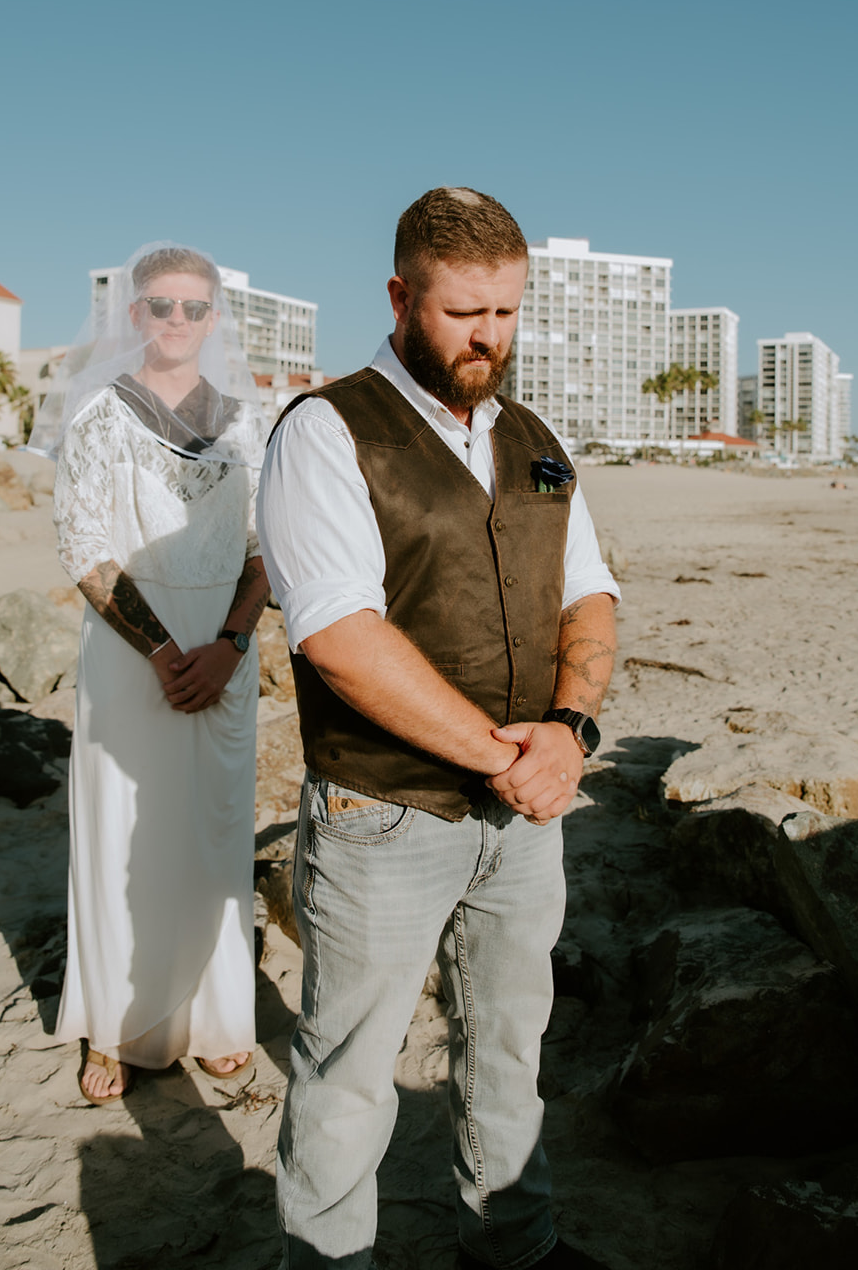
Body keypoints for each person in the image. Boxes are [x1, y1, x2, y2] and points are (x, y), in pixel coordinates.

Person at [257, 188, 620, 1270]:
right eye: (464, 313)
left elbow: (588, 594)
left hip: (524, 816)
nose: (487, 337)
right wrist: (510, 755)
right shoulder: (327, 430)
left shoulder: (536, 440)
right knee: (348, 1075)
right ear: (400, 297)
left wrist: (569, 729)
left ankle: (516, 1247)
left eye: (506, 312)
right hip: (382, 815)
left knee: (508, 1047)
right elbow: (339, 636)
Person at [29, 242, 270, 1104]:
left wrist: (229, 646)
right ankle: (115, 1026)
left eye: (192, 307)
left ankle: (214, 1017)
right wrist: (166, 653)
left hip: (224, 654)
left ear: (213, 318)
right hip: (134, 657)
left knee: (211, 835)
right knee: (121, 828)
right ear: (134, 314)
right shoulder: (102, 413)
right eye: (160, 305)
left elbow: (265, 548)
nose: (176, 320)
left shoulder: (244, 422)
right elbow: (83, 546)